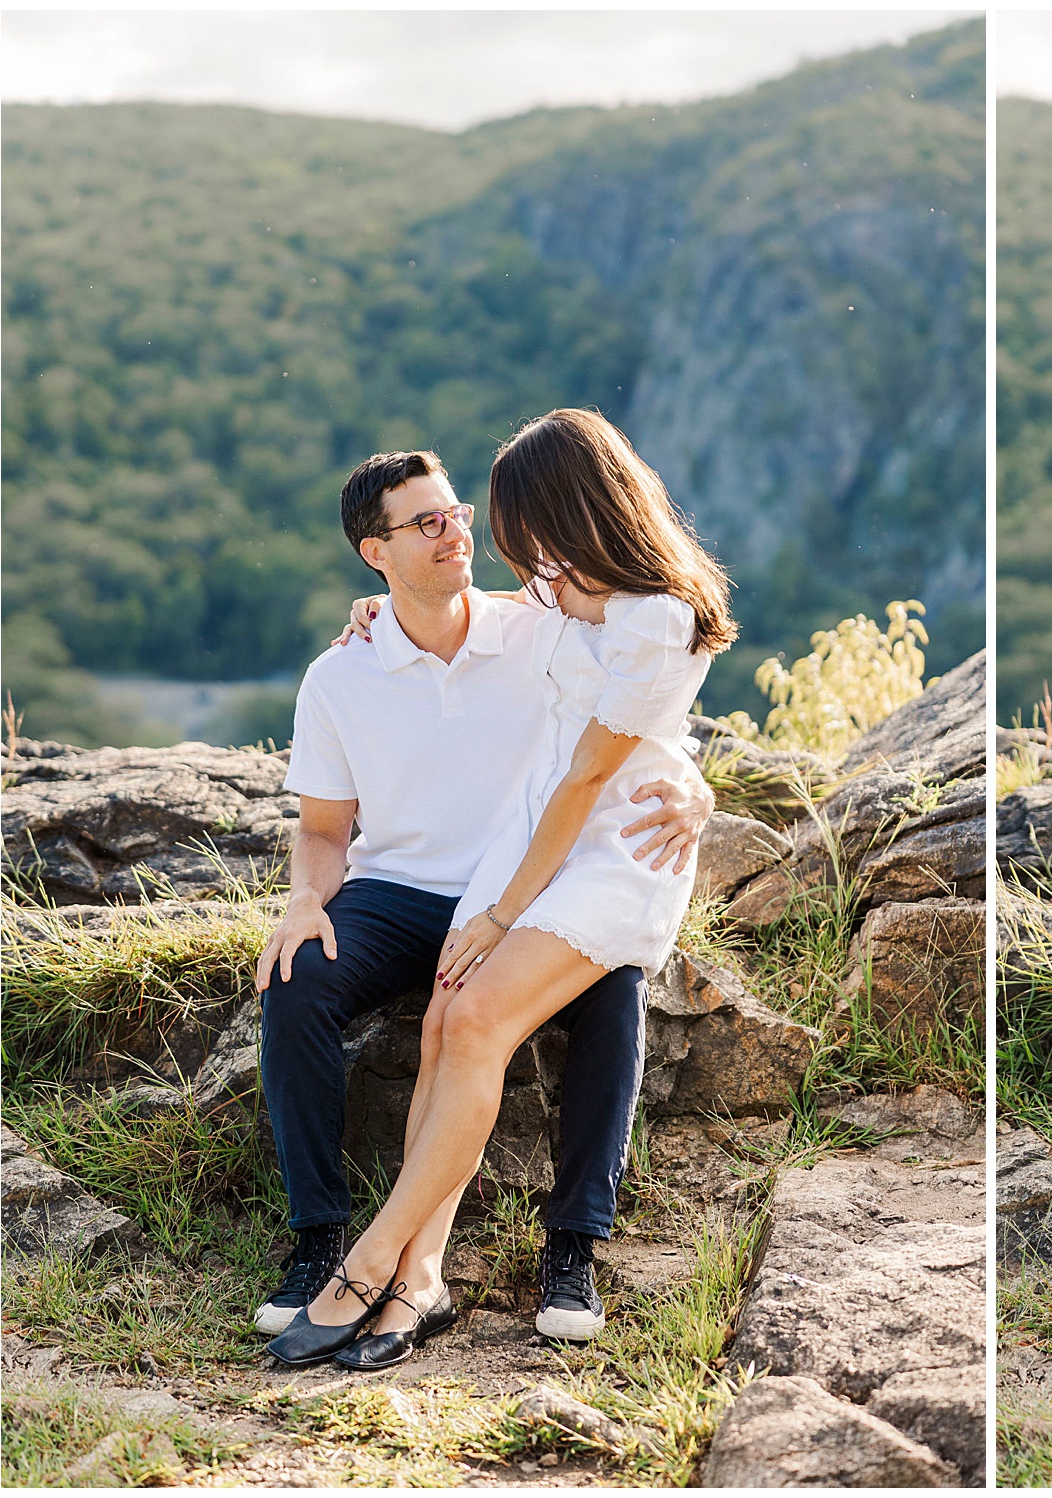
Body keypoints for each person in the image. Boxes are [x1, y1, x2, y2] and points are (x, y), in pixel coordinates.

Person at [261, 418, 734, 1370]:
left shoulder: (569, 615)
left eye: (463, 515)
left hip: (585, 860)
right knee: (427, 1015)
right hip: (483, 869)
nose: (466, 536)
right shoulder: (554, 601)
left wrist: (697, 786)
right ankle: (400, 1269)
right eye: (426, 523)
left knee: (532, 1010)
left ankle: (412, 1257)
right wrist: (381, 609)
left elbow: (610, 759)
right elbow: (323, 826)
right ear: (377, 552)